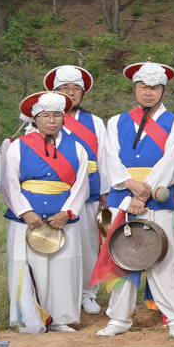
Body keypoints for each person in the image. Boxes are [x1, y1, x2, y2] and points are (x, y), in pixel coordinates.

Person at [95, 62, 174, 338]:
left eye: (154, 88)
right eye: (142, 87)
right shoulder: (116, 122)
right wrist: (130, 187)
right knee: (121, 256)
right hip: (123, 194)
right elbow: (110, 158)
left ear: (163, 90)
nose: (148, 93)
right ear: (134, 89)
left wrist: (143, 192)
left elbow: (171, 162)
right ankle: (118, 318)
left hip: (157, 196)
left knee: (164, 256)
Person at [3, 91, 91, 334]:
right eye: (45, 116)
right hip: (27, 219)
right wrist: (25, 212)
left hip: (62, 218)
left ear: (63, 118)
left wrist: (67, 212)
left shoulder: (77, 148)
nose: (51, 120)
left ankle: (62, 317)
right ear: (35, 119)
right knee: (28, 266)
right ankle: (29, 319)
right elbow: (9, 182)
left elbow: (81, 185)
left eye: (56, 115)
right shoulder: (18, 147)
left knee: (64, 267)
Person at [45, 64, 105, 317]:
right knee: (57, 244)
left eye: (75, 88)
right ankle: (59, 294)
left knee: (88, 244)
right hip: (55, 193)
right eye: (64, 88)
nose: (70, 93)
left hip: (89, 192)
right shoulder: (44, 120)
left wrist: (105, 193)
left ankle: (88, 292)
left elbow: (104, 158)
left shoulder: (95, 122)